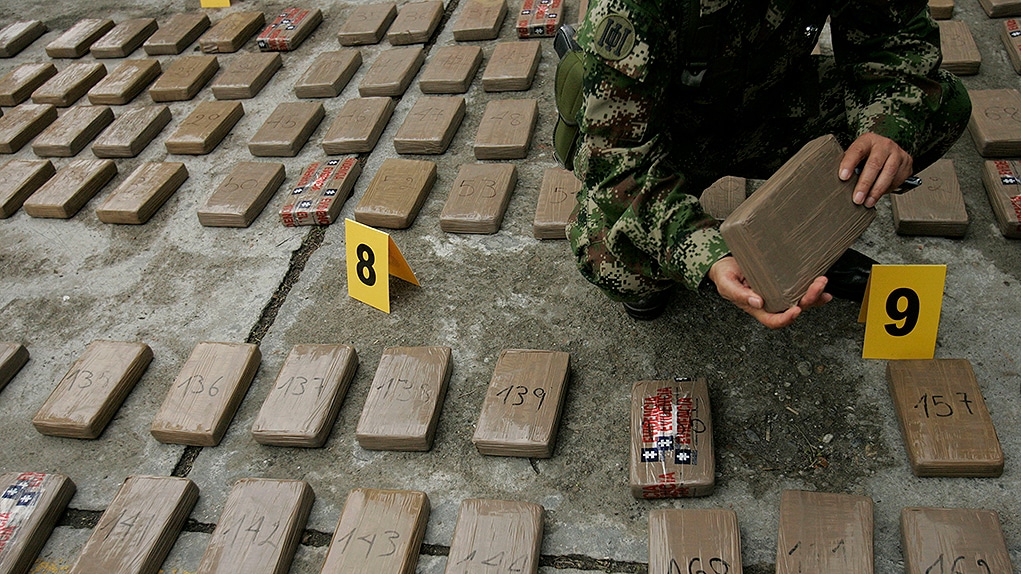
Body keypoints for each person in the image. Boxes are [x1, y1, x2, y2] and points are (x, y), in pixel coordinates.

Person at [559, 0, 971, 328]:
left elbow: (895, 39)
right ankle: (694, 261)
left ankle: (799, 245)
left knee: (940, 109)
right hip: (668, 136)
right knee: (614, 264)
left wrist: (886, 130)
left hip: (770, 101)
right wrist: (709, 256)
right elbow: (616, 161)